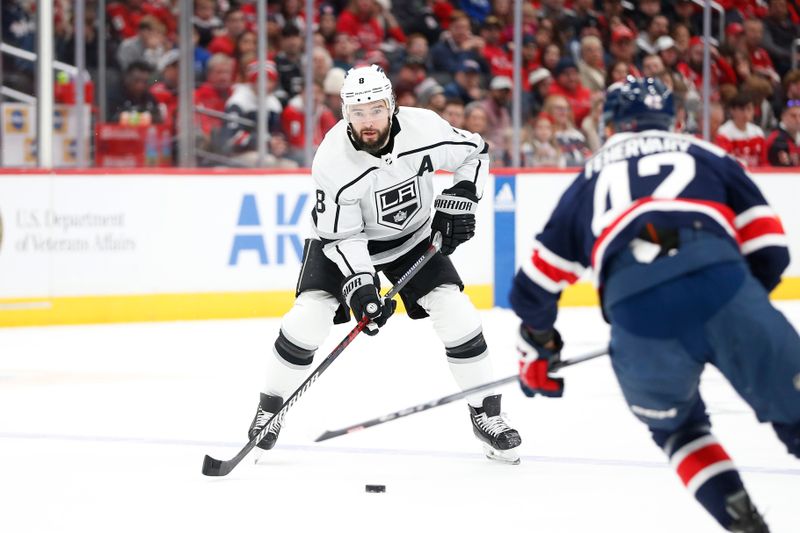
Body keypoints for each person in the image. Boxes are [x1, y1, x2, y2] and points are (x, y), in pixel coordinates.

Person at [509, 76, 799, 532]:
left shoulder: (588, 176)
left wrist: (539, 342)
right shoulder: (709, 154)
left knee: (680, 431)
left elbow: (531, 289)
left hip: (636, 313)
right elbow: (771, 249)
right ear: (675, 120)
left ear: (609, 128)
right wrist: (733, 306)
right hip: (723, 282)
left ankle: (745, 523)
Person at [247, 64, 522, 464]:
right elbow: (342, 237)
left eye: (375, 109)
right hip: (344, 243)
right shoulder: (332, 160)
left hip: (412, 238)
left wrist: (462, 195)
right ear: (345, 113)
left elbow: (476, 153)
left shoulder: (425, 128)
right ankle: (270, 409)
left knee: (458, 313)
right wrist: (360, 285)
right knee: (308, 318)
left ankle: (486, 415)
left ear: (391, 105)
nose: (367, 122)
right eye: (357, 113)